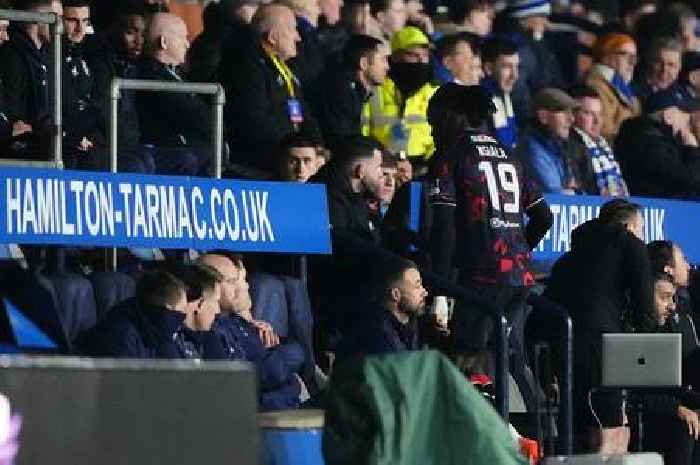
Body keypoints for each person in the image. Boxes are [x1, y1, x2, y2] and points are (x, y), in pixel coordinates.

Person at [426, 83, 553, 412]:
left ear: (451, 117)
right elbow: (543, 217)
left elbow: (444, 229)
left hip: (480, 279)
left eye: (434, 122)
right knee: (509, 359)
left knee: (466, 365)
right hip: (519, 280)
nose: (432, 131)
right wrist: (519, 250)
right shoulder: (509, 156)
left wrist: (440, 291)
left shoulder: (452, 155)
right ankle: (529, 437)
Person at [544, 199, 656, 452]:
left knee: (575, 431)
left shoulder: (568, 258)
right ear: (628, 227)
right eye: (641, 230)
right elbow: (645, 310)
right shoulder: (630, 245)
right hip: (604, 350)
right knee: (611, 434)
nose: (642, 237)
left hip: (565, 349)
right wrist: (644, 355)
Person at [221, 3, 321, 175]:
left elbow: (304, 113)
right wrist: (293, 148)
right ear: (272, 37)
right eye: (292, 29)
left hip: (292, 155)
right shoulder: (246, 68)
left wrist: (317, 146)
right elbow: (255, 123)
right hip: (264, 161)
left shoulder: (286, 67)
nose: (298, 37)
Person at [198, 254, 306, 411]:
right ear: (211, 286)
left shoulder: (236, 322)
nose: (243, 287)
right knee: (294, 354)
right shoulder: (211, 331)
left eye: (239, 280)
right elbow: (252, 383)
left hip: (280, 405)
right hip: (261, 416)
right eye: (232, 282)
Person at [307, 135, 384, 352]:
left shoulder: (354, 197)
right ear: (359, 171)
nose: (382, 175)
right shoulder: (326, 194)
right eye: (378, 168)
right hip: (333, 291)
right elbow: (342, 246)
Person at [82, 269, 225, 359]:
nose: (182, 320)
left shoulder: (153, 330)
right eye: (180, 313)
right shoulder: (121, 336)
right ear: (168, 310)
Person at [136, 13, 213, 176]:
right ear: (163, 42)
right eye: (182, 38)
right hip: (165, 154)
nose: (187, 44)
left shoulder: (176, 74)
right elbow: (194, 116)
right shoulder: (149, 75)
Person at [643, 270, 700, 465]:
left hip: (676, 404)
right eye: (664, 298)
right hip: (652, 415)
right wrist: (677, 409)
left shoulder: (676, 327)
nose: (672, 306)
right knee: (685, 426)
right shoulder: (635, 332)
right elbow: (640, 393)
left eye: (673, 298)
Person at [362, 26, 438, 166]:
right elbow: (364, 128)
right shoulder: (376, 89)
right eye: (414, 55)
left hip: (425, 168)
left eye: (425, 56)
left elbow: (443, 134)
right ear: (396, 56)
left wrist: (430, 163)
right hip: (383, 166)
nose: (421, 61)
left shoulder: (434, 91)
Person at [0, 0, 62, 158]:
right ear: (40, 18)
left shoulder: (49, 55)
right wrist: (9, 128)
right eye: (57, 18)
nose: (60, 27)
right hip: (17, 150)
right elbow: (11, 109)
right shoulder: (12, 56)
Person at [335, 256, 428, 361]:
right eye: (417, 286)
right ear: (396, 295)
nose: (425, 292)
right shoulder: (381, 339)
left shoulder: (407, 319)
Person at [614, 87, 700, 199]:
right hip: (650, 208)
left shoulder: (683, 141)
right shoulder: (642, 132)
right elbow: (684, 180)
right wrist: (691, 147)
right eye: (685, 117)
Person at [60, 0, 110, 171]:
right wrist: (75, 136)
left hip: (93, 137)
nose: (80, 28)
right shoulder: (51, 55)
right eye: (72, 20)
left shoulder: (93, 54)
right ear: (59, 19)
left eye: (85, 21)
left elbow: (100, 104)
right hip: (66, 137)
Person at [516, 87, 596, 194]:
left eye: (571, 112)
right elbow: (557, 198)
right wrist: (574, 192)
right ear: (543, 116)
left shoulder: (562, 146)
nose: (571, 119)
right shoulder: (532, 150)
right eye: (564, 112)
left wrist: (574, 191)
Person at [317, 34, 389, 150]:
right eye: (383, 60)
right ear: (364, 63)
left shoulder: (353, 90)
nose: (387, 67)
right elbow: (343, 140)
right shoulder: (340, 90)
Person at [648, 240, 700, 387]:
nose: (688, 266)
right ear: (668, 270)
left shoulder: (685, 310)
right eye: (683, 260)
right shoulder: (654, 323)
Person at [569, 85, 629, 197]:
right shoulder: (570, 146)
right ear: (572, 115)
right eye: (589, 113)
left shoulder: (604, 145)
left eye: (600, 114)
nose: (597, 121)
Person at [585, 32, 641, 143]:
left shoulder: (624, 87)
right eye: (625, 55)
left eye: (634, 57)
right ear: (605, 56)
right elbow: (603, 130)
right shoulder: (596, 86)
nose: (632, 63)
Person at [480, 37, 520, 151]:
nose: (515, 75)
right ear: (488, 68)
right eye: (507, 66)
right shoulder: (480, 102)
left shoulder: (504, 95)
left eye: (517, 66)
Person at [632, 36, 683, 104]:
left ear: (679, 67)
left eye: (671, 65)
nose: (664, 69)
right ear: (650, 61)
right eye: (659, 63)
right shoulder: (632, 92)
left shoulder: (682, 92)